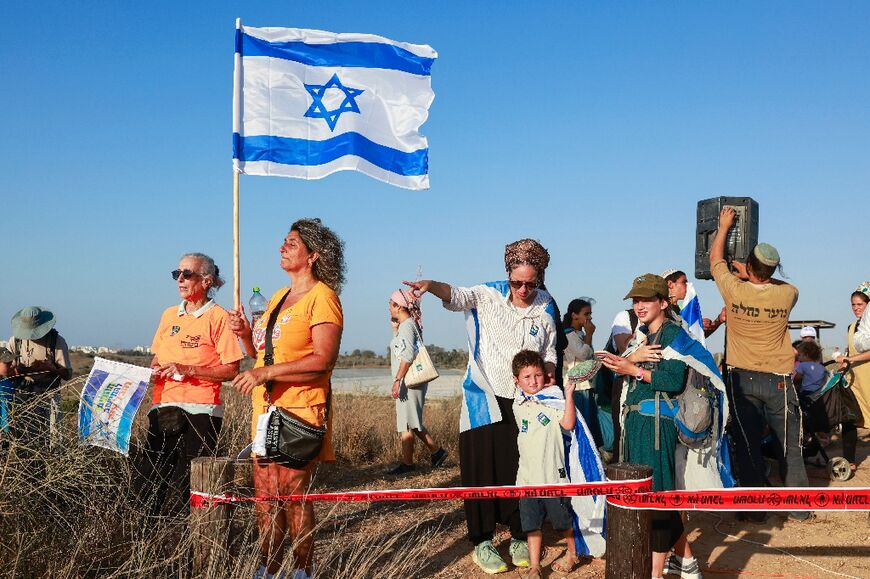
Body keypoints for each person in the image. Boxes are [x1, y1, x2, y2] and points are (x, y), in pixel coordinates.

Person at [403, 238, 559, 574]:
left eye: (531, 283)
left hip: (524, 400)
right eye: (517, 282)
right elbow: (456, 295)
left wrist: (548, 374)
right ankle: (482, 541)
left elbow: (549, 351)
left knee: (520, 468)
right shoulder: (488, 294)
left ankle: (519, 534)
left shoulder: (546, 305)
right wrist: (430, 286)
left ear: (540, 278)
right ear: (508, 274)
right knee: (480, 469)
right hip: (483, 396)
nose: (523, 289)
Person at [229, 218, 345, 579]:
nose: (282, 246)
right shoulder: (278, 297)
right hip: (266, 410)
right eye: (283, 241)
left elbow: (322, 361)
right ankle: (269, 566)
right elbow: (262, 355)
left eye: (292, 243)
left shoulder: (323, 298)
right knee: (265, 495)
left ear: (313, 255)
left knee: (293, 494)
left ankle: (302, 570)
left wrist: (265, 374)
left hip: (300, 410)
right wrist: (246, 336)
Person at [710, 207, 810, 521]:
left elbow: (715, 261)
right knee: (789, 444)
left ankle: (754, 510)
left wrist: (724, 227)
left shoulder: (733, 288)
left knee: (748, 443)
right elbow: (778, 285)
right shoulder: (788, 294)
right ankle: (799, 509)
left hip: (742, 379)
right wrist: (756, 274)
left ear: (749, 266)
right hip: (778, 380)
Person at [601, 274, 703, 579]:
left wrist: (634, 369)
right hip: (635, 423)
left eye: (646, 299)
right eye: (635, 300)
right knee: (643, 498)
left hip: (656, 424)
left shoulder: (673, 334)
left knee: (657, 497)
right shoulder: (642, 335)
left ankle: (656, 573)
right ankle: (685, 562)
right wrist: (631, 359)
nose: (639, 305)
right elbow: (617, 370)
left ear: (662, 302)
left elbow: (673, 380)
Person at [142, 253, 242, 516]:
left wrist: (189, 370)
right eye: (177, 274)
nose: (180, 280)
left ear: (207, 281)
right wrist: (153, 371)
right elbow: (157, 357)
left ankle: (195, 544)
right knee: (151, 479)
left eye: (187, 274)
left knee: (192, 483)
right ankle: (147, 539)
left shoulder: (220, 317)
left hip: (201, 411)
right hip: (163, 405)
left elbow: (232, 369)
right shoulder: (168, 315)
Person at [512, 350, 590, 578]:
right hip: (527, 478)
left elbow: (567, 424)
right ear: (517, 381)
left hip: (554, 476)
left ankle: (572, 552)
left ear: (544, 376)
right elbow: (520, 389)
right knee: (531, 525)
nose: (533, 381)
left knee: (561, 521)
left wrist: (568, 395)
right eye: (527, 377)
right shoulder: (519, 404)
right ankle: (535, 566)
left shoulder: (553, 399)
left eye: (537, 375)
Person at [386, 288, 447, 475]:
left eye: (390, 303)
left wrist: (397, 380)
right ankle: (432, 453)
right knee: (409, 421)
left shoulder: (408, 326)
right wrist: (395, 330)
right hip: (408, 381)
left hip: (409, 382)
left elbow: (406, 356)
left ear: (398, 306)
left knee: (408, 422)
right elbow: (401, 349)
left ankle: (414, 461)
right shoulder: (407, 325)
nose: (388, 307)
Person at [4, 306, 72, 449]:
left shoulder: (56, 342)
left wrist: (50, 368)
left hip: (50, 396)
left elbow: (67, 374)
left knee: (54, 442)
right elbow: (5, 372)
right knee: (25, 442)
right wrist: (19, 371)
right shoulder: (15, 341)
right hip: (22, 398)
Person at [562, 298, 604, 448]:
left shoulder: (579, 334)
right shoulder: (569, 335)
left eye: (590, 314)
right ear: (574, 315)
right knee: (582, 428)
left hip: (586, 386)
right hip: (577, 388)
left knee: (591, 427)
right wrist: (590, 335)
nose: (589, 318)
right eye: (586, 314)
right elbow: (583, 355)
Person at [838, 283, 870, 426]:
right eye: (853, 305)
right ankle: (848, 450)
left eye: (860, 304)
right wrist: (845, 362)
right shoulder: (851, 327)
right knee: (849, 420)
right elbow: (851, 350)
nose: (856, 308)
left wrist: (850, 359)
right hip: (856, 382)